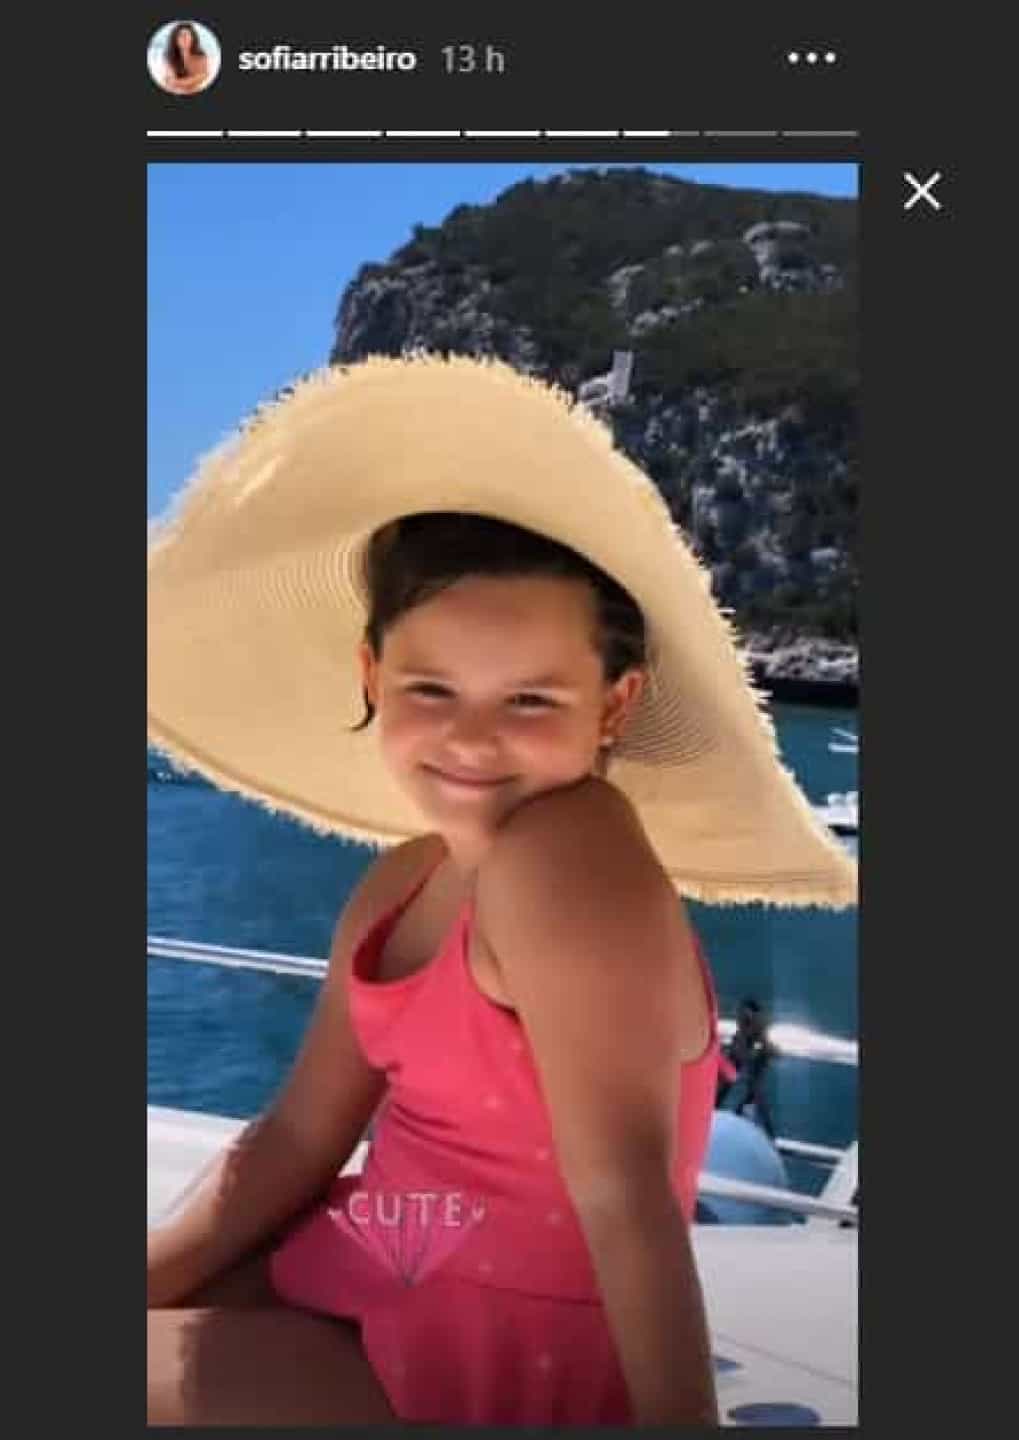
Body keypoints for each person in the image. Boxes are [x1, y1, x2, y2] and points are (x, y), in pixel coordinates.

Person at [146, 354, 856, 1425]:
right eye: (431, 688)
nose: (472, 739)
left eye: (529, 700)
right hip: (384, 1261)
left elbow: (622, 1198)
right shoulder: (407, 878)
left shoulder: (568, 853)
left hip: (489, 1348)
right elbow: (296, 1137)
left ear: (613, 706)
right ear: (371, 677)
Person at [716, 997, 778, 1137]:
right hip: (732, 1106)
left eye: (748, 1020)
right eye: (743, 1019)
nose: (744, 1023)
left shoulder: (762, 1049)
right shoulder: (736, 1046)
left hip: (743, 1104)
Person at [160, 22, 211, 95]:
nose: (184, 38)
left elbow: (202, 77)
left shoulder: (201, 55)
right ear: (175, 39)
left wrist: (180, 83)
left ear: (193, 38)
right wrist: (190, 81)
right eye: (180, 35)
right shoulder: (169, 55)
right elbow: (171, 80)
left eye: (187, 35)